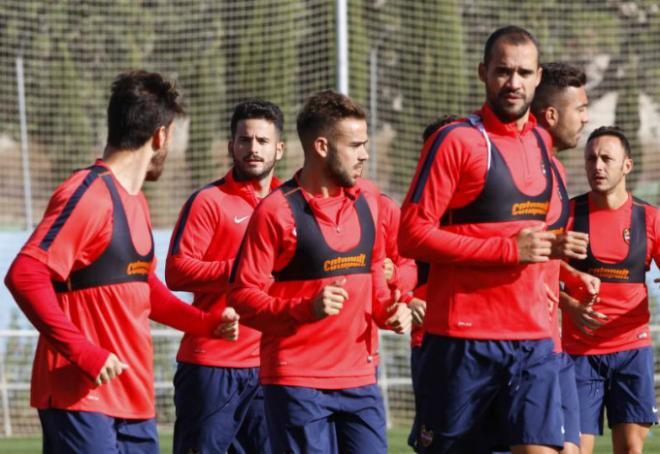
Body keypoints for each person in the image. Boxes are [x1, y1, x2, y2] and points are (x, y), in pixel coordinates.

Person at [3, 70, 238, 454]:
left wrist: (206, 324)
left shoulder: (136, 202)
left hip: (134, 401)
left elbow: (143, 288)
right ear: (160, 136)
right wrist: (84, 352)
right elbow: (25, 273)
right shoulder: (88, 194)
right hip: (81, 399)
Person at [399, 26, 564, 453]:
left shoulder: (544, 145)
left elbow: (535, 238)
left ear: (538, 77)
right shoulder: (455, 140)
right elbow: (412, 234)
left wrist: (566, 266)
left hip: (533, 339)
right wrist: (509, 251)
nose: (514, 82)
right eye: (503, 71)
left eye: (524, 73)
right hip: (461, 340)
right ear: (483, 73)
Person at [228, 90, 411, 454]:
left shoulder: (371, 202)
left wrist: (394, 309)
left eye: (365, 144)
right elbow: (243, 298)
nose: (365, 154)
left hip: (360, 381)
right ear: (322, 147)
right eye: (355, 145)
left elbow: (376, 277)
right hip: (297, 383)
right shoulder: (276, 211)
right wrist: (305, 308)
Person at [166, 100, 284, 453]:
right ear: (232, 145)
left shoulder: (290, 203)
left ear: (279, 147)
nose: (253, 149)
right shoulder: (208, 201)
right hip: (212, 365)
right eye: (245, 140)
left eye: (262, 141)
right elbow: (176, 271)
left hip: (271, 367)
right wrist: (241, 269)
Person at [562, 126, 660, 454]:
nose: (597, 166)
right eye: (591, 159)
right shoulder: (569, 214)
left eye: (606, 158)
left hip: (632, 351)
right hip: (578, 353)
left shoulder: (650, 218)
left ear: (627, 166)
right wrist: (569, 305)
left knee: (631, 450)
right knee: (572, 450)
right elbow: (537, 275)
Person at [531, 62, 599, 454]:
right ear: (552, 114)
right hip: (525, 342)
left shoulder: (554, 168)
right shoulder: (526, 169)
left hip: (553, 340)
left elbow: (541, 253)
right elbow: (515, 248)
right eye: (581, 108)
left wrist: (571, 283)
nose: (586, 118)